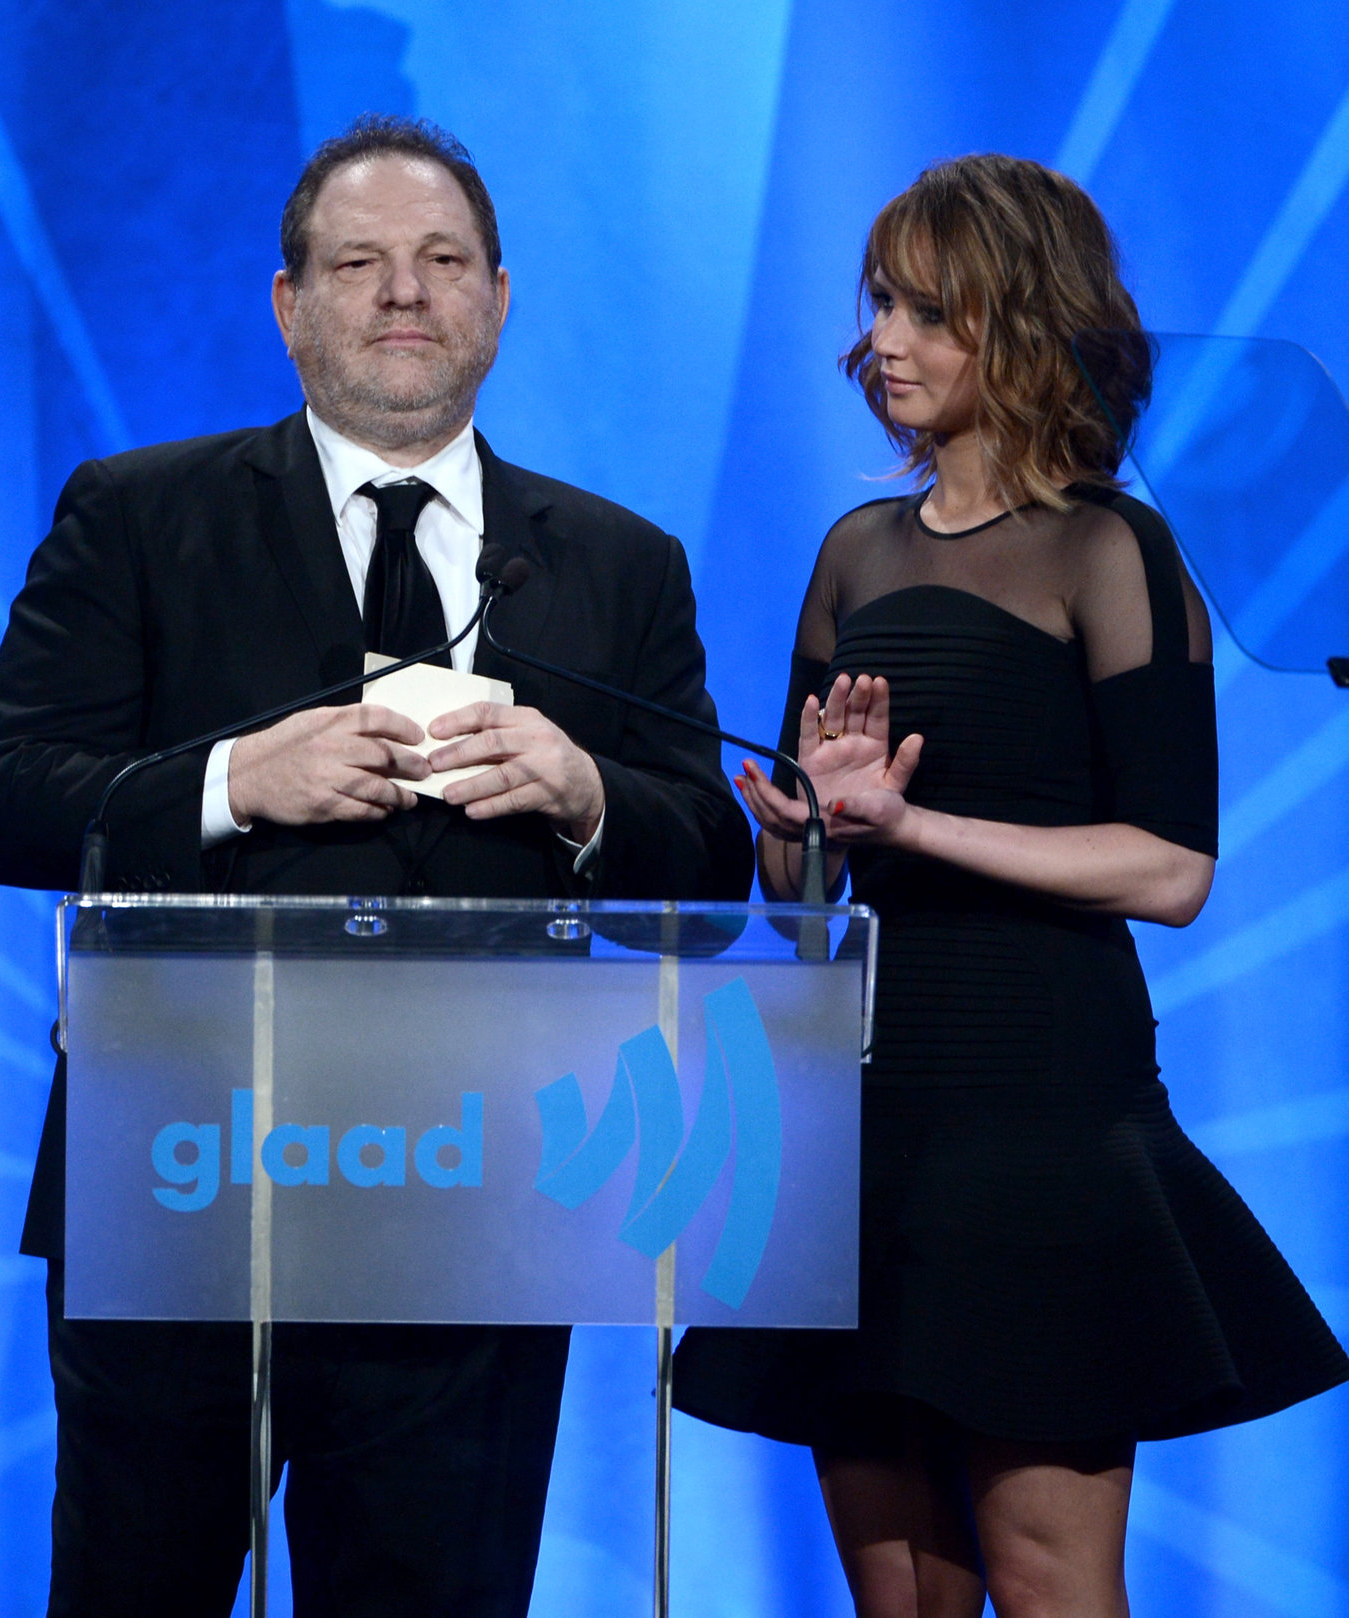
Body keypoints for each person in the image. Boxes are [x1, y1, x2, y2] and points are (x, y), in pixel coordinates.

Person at [0, 115, 752, 1618]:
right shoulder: (139, 516)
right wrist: (228, 782)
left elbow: (713, 866)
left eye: (442, 261)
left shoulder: (614, 561)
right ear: (288, 303)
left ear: (497, 301)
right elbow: (2, 803)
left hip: (479, 1193)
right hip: (181, 1176)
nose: (403, 293)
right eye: (359, 263)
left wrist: (589, 796)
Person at [672, 154, 1349, 1618]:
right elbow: (799, 893)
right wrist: (804, 827)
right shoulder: (854, 552)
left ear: (1025, 322)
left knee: (1045, 1577)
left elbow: (1169, 867)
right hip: (864, 1110)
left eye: (930, 312)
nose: (884, 342)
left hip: (1041, 1112)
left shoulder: (1109, 548)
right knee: (901, 1591)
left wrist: (917, 828)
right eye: (880, 305)